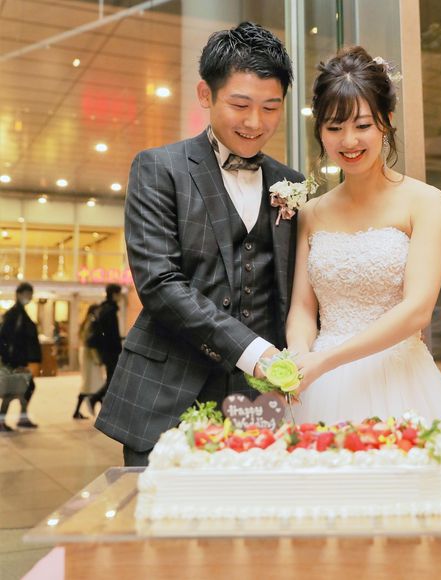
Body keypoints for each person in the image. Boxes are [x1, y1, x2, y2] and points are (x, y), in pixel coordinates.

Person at [95, 22, 303, 466]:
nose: (255, 122)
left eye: (271, 107)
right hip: (166, 393)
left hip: (261, 401)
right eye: (240, 105)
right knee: (161, 508)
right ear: (205, 94)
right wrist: (252, 351)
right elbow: (160, 284)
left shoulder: (292, 183)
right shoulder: (158, 168)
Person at [286, 47, 441, 458]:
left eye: (362, 125)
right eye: (334, 127)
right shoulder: (312, 213)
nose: (349, 141)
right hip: (320, 387)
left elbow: (417, 311)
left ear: (386, 122)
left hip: (400, 380)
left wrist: (327, 360)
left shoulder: (425, 202)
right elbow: (302, 307)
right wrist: (299, 361)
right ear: (320, 131)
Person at [0, 282, 41, 430]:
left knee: (22, 389)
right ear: (18, 294)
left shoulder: (20, 313)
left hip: (18, 360)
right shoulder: (14, 314)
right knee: (15, 391)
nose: (29, 297)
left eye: (30, 294)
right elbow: (5, 338)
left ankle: (21, 417)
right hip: (14, 361)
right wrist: (9, 359)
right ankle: (10, 419)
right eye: (27, 294)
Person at [88, 284, 123, 411]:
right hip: (111, 350)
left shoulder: (104, 309)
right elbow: (112, 333)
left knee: (111, 378)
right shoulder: (110, 311)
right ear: (114, 294)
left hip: (105, 349)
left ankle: (104, 403)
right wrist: (118, 347)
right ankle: (96, 398)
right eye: (119, 294)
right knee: (113, 379)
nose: (120, 297)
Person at [73, 304, 105, 419]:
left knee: (92, 384)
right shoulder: (92, 321)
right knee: (93, 384)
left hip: (86, 354)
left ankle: (101, 412)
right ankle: (101, 413)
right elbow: (91, 341)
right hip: (90, 355)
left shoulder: (87, 321)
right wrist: (98, 359)